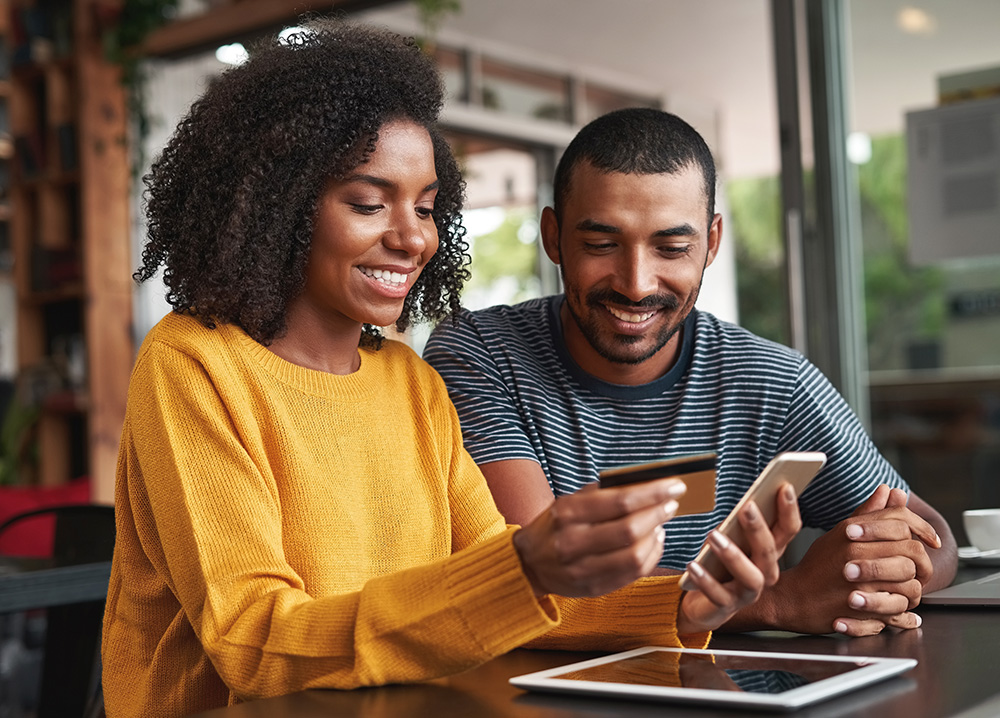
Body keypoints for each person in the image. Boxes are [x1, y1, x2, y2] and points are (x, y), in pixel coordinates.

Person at [101, 23, 802, 718]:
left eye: (428, 208)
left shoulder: (410, 381)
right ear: (280, 206)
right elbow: (254, 644)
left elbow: (505, 587)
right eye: (370, 203)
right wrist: (524, 568)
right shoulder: (194, 364)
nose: (412, 238)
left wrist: (681, 602)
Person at [424, 107, 957, 638]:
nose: (636, 284)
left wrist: (874, 572)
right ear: (554, 236)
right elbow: (535, 582)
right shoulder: (480, 354)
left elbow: (934, 538)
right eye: (601, 244)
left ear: (712, 243)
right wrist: (779, 601)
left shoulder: (770, 381)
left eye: (672, 247)